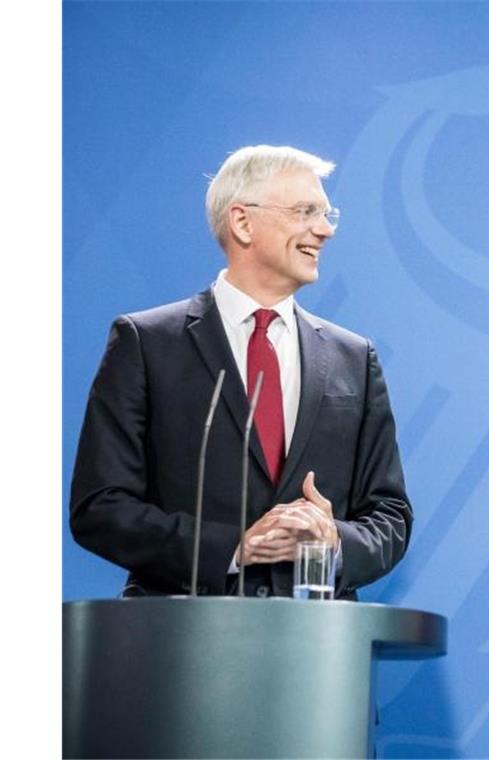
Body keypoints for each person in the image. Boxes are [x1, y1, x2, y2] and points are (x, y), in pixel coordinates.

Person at [70, 145, 412, 599]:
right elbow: (100, 507)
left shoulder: (354, 358)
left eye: (328, 213)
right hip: (181, 639)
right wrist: (234, 547)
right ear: (242, 222)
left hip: (315, 646)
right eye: (305, 211)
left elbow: (390, 516)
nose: (325, 229)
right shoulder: (147, 343)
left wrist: (334, 540)